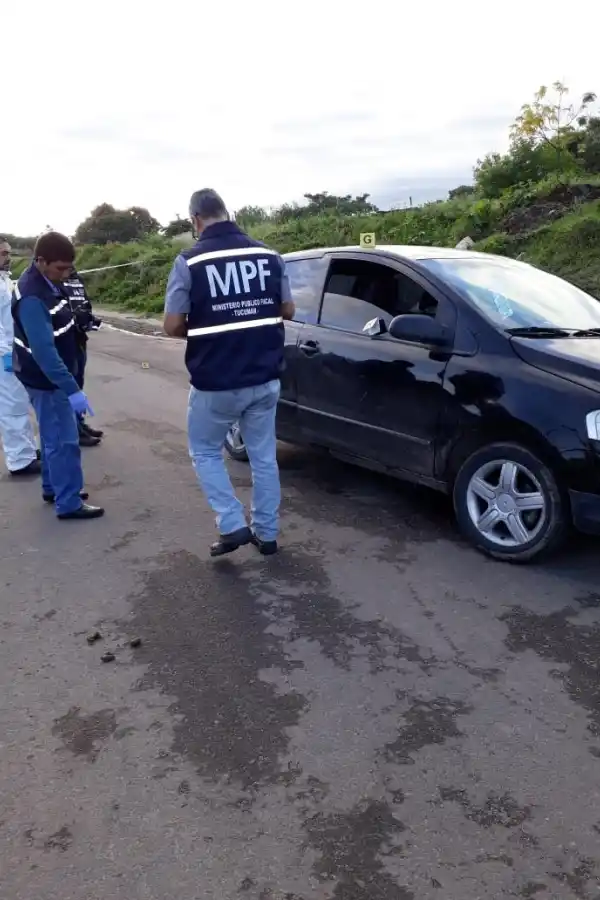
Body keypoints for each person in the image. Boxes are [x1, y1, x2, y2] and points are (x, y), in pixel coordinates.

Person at [163, 188, 295, 557]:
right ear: (227, 212)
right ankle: (267, 535)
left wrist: (215, 320)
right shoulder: (269, 256)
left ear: (195, 220)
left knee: (204, 451)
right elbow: (288, 309)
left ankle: (232, 524)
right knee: (264, 458)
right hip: (265, 376)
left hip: (216, 380)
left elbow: (173, 325)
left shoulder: (188, 262)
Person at [11, 232, 104, 520]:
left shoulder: (47, 282)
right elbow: (45, 354)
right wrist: (71, 389)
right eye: (60, 268)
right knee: (64, 441)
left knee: (53, 436)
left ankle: (54, 488)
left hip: (48, 377)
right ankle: (69, 501)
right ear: (41, 261)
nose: (66, 274)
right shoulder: (32, 297)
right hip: (47, 379)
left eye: (69, 268)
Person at [0, 236, 40, 477]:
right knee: (12, 407)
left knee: (20, 403)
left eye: (8, 253)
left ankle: (27, 450)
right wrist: (6, 354)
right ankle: (20, 460)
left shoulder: (5, 280)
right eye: (3, 253)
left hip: (14, 350)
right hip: (5, 355)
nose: (8, 257)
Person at [63, 267, 104, 447]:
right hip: (65, 339)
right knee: (70, 386)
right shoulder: (54, 278)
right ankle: (74, 430)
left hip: (80, 337)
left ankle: (79, 423)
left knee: (79, 383)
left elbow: (84, 302)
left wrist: (89, 318)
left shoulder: (75, 278)